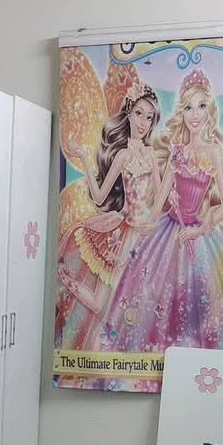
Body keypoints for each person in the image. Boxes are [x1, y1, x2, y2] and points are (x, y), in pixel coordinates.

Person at [104, 68, 223, 371]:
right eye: (188, 107)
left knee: (207, 302)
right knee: (150, 297)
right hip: (167, 232)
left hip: (199, 236)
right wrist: (140, 227)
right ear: (182, 112)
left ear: (209, 110)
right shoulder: (176, 152)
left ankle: (200, 368)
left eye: (201, 106)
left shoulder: (213, 152)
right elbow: (159, 202)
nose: (195, 114)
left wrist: (202, 228)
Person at [56, 83, 161, 351]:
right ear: (129, 114)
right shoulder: (123, 155)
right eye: (138, 114)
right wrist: (85, 159)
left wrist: (153, 221)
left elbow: (161, 196)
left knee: (136, 305)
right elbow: (100, 196)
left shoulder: (151, 155)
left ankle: (123, 350)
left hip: (144, 238)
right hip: (121, 235)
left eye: (149, 117)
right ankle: (64, 275)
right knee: (102, 304)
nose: (143, 122)